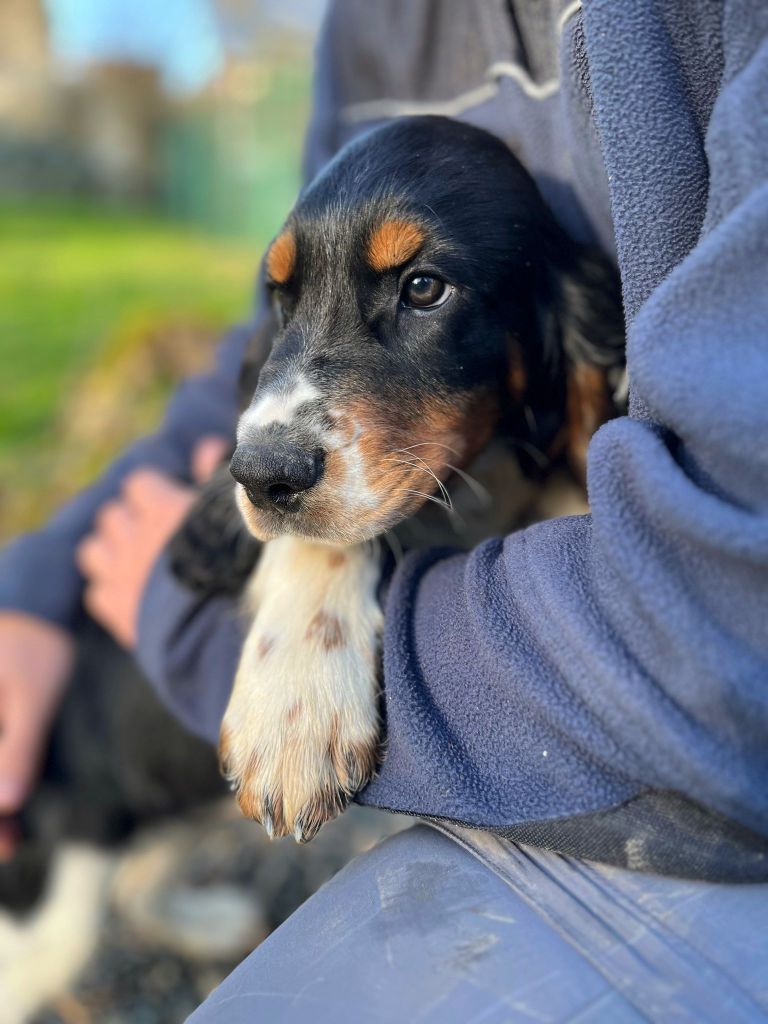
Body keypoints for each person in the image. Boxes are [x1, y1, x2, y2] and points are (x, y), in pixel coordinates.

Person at [1, 0, 767, 1019]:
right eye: (292, 297)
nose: (270, 444)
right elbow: (255, 373)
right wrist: (38, 586)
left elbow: (722, 637)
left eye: (421, 286)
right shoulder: (367, 25)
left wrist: (186, 629)